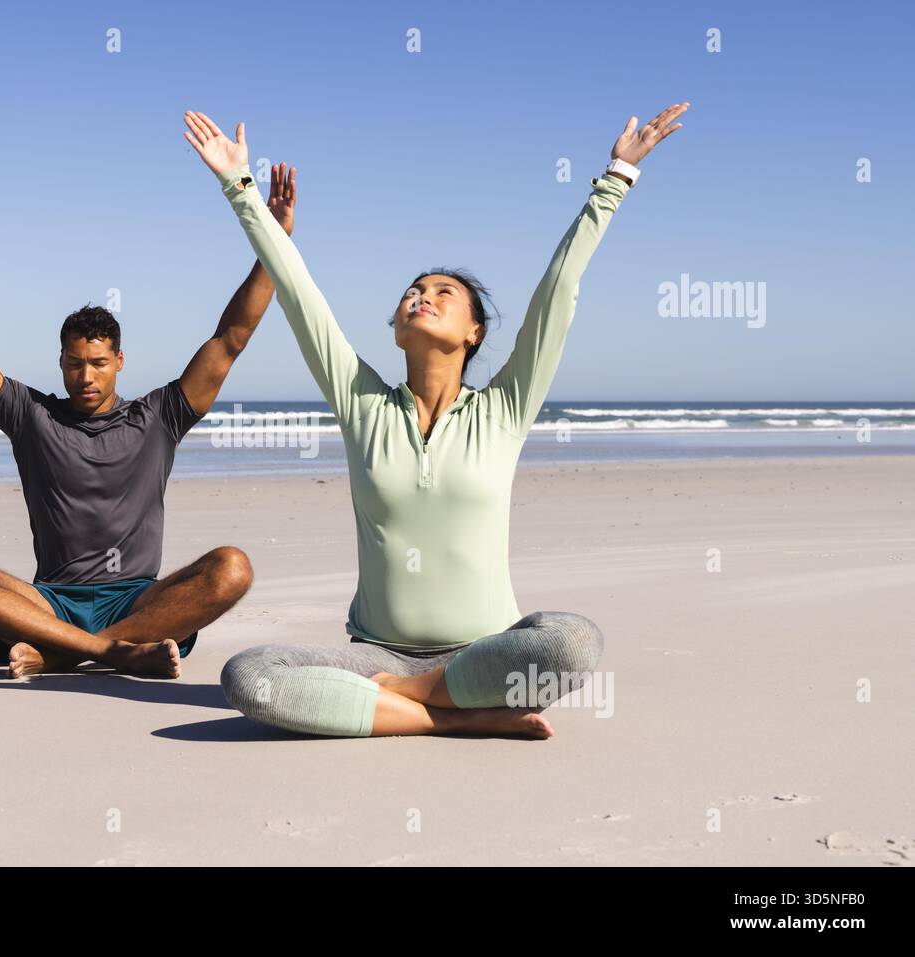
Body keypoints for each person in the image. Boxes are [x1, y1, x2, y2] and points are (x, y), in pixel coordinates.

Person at [183, 103, 687, 735]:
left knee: (570, 643)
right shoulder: (361, 403)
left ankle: (406, 700)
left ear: (474, 331)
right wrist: (240, 187)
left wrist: (615, 178)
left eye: (444, 293)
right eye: (413, 292)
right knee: (250, 675)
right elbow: (300, 292)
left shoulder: (503, 410)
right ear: (396, 329)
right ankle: (451, 719)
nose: (423, 295)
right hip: (372, 654)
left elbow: (558, 292)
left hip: (485, 651)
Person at [0, 160, 299, 678]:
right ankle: (108, 651)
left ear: (120, 361)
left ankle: (62, 650)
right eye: (74, 364)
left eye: (98, 363)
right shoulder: (31, 415)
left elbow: (231, 336)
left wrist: (273, 240)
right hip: (47, 602)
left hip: (142, 603)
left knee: (232, 568)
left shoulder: (160, 416)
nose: (86, 377)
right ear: (60, 363)